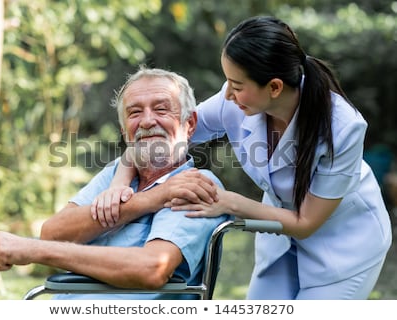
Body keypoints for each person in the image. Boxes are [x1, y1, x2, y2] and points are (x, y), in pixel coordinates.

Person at [93, 16, 392, 300]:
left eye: (236, 86)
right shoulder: (233, 102)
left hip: (343, 242)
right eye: (228, 83)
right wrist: (119, 182)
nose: (227, 96)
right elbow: (164, 137)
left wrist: (227, 202)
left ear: (274, 87)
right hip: (279, 235)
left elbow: (306, 223)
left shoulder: (343, 128)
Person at [0, 67, 229, 300]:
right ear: (123, 130)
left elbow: (152, 269)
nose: (146, 121)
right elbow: (54, 232)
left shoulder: (195, 184)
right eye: (134, 113)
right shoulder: (116, 174)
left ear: (190, 124)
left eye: (161, 109)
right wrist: (146, 201)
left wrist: (31, 250)